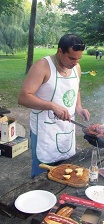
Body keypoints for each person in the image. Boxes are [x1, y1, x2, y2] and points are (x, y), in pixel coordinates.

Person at [18, 34, 90, 178]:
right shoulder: (43, 66)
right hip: (45, 130)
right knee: (42, 176)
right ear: (60, 51)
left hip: (66, 129)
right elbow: (23, 97)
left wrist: (79, 107)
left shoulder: (76, 68)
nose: (75, 62)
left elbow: (75, 89)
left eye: (78, 59)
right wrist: (52, 105)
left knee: (65, 172)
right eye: (71, 58)